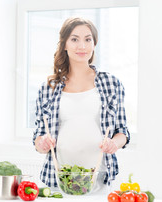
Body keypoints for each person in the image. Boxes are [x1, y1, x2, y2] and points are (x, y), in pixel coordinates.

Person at [33, 17, 130, 189]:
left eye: (88, 39)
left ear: (94, 44)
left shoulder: (111, 83)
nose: (82, 46)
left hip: (98, 179)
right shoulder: (48, 88)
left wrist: (114, 143)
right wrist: (42, 143)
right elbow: (39, 138)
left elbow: (122, 132)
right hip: (58, 179)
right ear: (64, 44)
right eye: (74, 39)